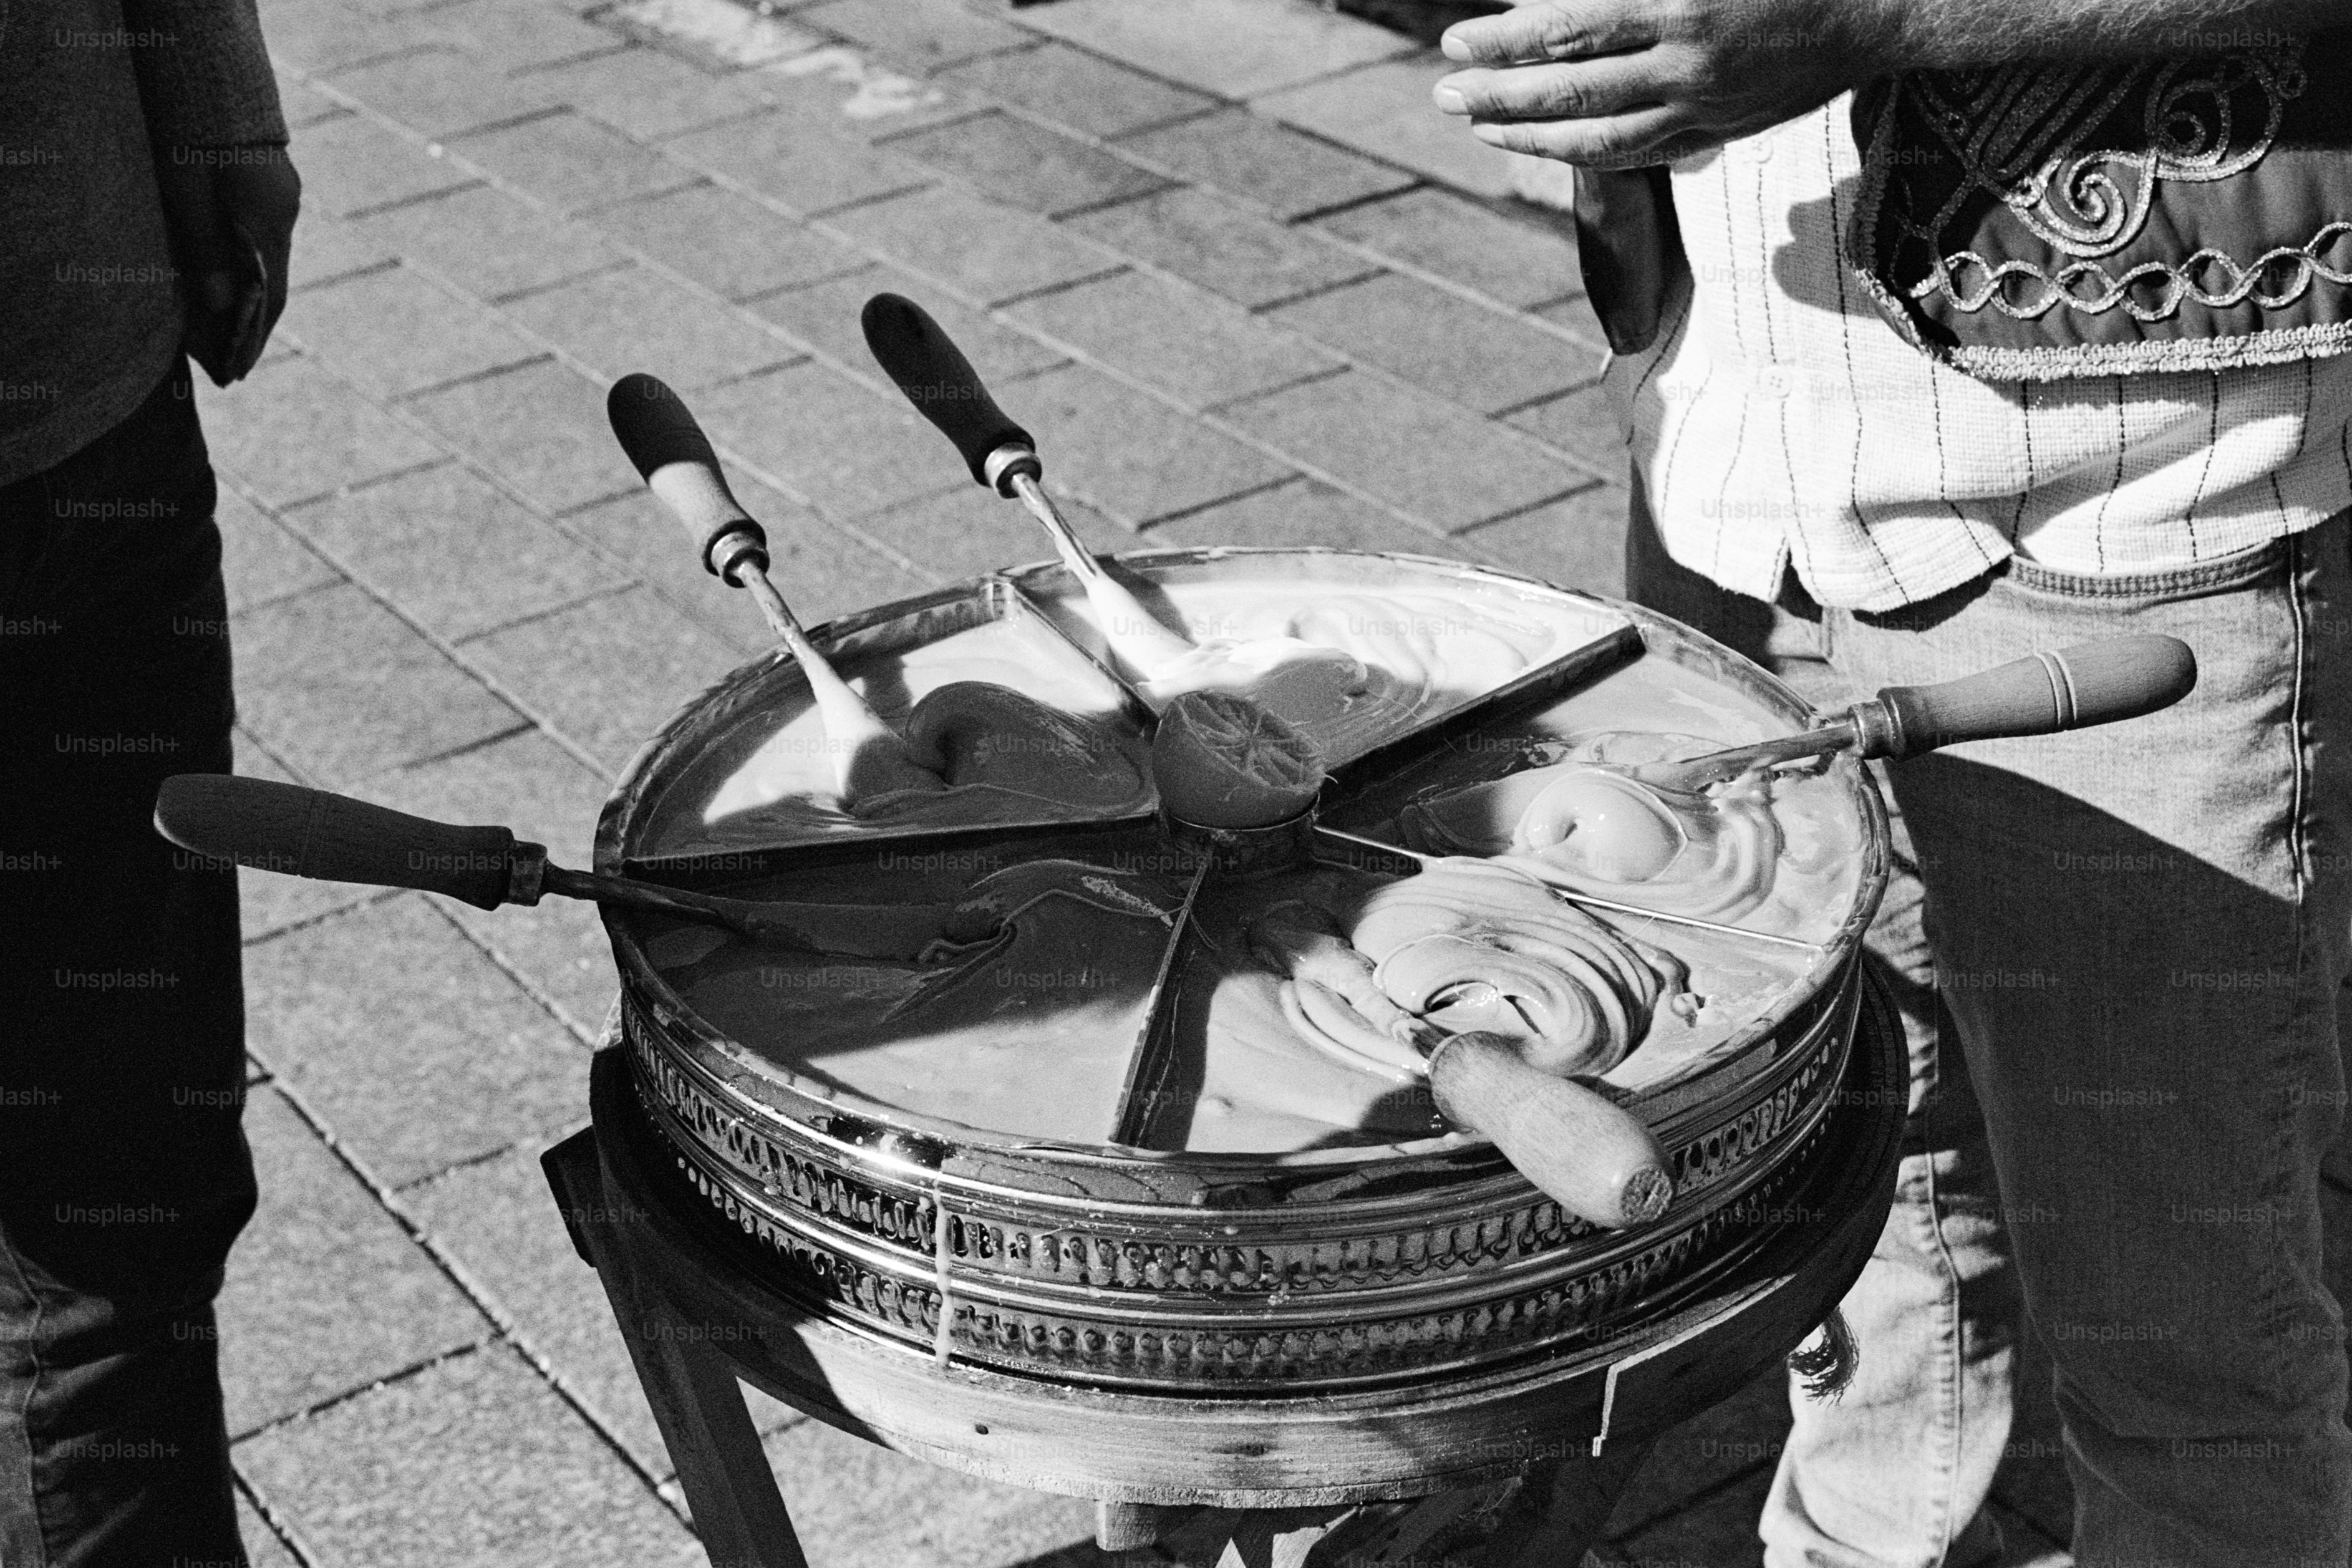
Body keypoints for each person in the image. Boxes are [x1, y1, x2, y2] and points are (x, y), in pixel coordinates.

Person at [1434, 2, 2352, 1563]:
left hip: (2123, 514)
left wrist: (1877, 20)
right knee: (1867, 1171)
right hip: (1737, 467)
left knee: (2173, 1323)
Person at [2, 3, 299, 1563]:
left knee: (111, 1205)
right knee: (102, 1211)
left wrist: (214, 114)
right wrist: (218, 124)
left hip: (69, 375)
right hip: (64, 388)